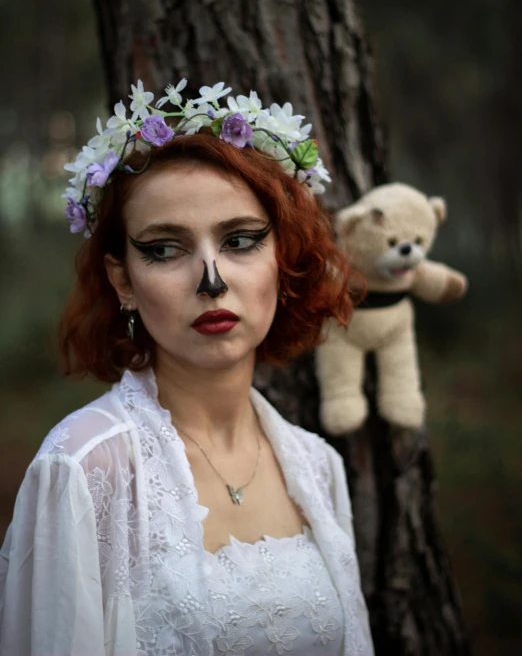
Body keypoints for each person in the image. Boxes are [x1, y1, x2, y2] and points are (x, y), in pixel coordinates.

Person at [0, 80, 374, 656]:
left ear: (283, 258)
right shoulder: (80, 469)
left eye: (242, 240)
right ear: (123, 280)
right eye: (165, 249)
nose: (212, 281)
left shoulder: (318, 469)